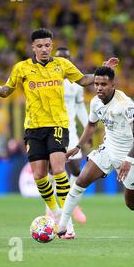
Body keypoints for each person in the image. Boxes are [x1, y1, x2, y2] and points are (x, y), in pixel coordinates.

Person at [0, 28, 118, 238]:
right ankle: (56, 215)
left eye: (47, 45)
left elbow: (83, 79)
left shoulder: (62, 65)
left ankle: (67, 223)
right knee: (39, 175)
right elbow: (6, 91)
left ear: (51, 46)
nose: (44, 49)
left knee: (58, 169)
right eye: (40, 46)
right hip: (34, 128)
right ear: (33, 47)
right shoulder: (22, 68)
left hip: (57, 125)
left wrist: (102, 72)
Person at [56, 66, 134, 238]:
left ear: (113, 84)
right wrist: (78, 147)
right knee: (80, 181)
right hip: (107, 150)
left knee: (133, 205)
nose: (99, 88)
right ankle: (62, 227)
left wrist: (129, 159)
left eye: (104, 84)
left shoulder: (125, 104)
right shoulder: (95, 102)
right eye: (96, 84)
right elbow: (92, 125)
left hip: (130, 156)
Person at [44, 47, 89, 224]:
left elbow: (79, 107)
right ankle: (50, 210)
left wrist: (87, 127)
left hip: (71, 131)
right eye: (61, 58)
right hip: (53, 129)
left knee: (77, 169)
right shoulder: (48, 80)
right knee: (51, 170)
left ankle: (72, 203)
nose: (64, 61)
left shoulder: (76, 83)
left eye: (67, 58)